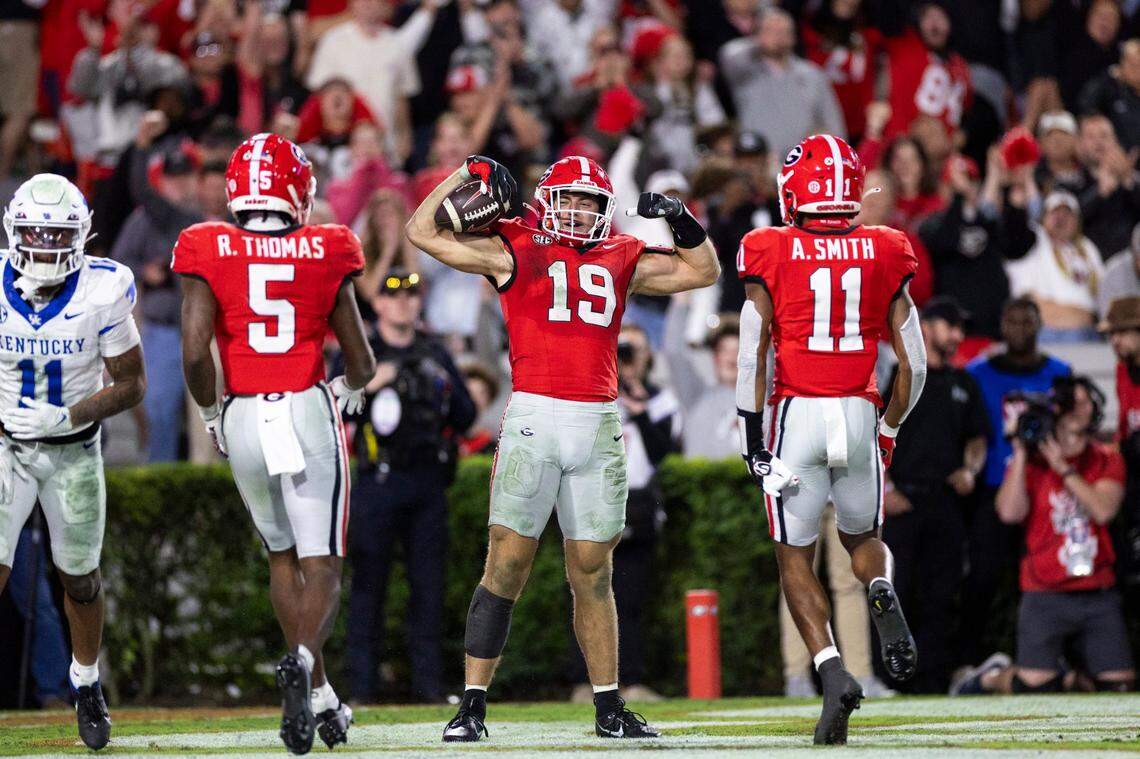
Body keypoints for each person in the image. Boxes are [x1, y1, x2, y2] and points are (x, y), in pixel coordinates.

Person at [406, 153, 719, 741]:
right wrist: (463, 176)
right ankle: (472, 704)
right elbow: (420, 232)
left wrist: (681, 219)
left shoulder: (622, 254)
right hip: (534, 415)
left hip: (599, 421)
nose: (577, 210)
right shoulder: (515, 245)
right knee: (506, 563)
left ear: (604, 209)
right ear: (548, 201)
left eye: (589, 201)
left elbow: (702, 271)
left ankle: (608, 706)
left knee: (594, 572)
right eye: (568, 199)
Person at [174, 134, 376, 754]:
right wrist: (353, 385)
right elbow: (361, 357)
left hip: (241, 415)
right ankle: (304, 659)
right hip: (304, 406)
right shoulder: (329, 245)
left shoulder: (207, 244)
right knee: (324, 565)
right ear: (300, 191)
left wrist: (212, 413)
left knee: (281, 557)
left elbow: (192, 350)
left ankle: (316, 691)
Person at [735, 134, 927, 744]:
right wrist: (890, 427)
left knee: (794, 557)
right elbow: (915, 365)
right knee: (863, 539)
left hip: (798, 414)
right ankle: (878, 587)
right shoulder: (885, 247)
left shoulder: (768, 247)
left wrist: (751, 439)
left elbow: (749, 357)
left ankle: (831, 669)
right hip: (858, 410)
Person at [0, 174, 147, 749]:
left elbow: (133, 384)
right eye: (33, 231)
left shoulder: (102, 290)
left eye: (54, 232)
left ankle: (85, 682)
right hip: (7, 445)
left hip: (73, 450)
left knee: (79, 578)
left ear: (81, 235)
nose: (41, 243)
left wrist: (68, 415)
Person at [953, 376, 1135, 695]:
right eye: (1073, 402)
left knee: (1118, 687)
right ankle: (991, 677)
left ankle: (1071, 675)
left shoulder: (1106, 457)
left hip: (1097, 590)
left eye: (1085, 401)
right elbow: (1009, 513)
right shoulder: (1034, 461)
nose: (1081, 408)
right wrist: (1021, 452)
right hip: (1044, 590)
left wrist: (1062, 466)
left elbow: (1103, 510)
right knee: (1032, 687)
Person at [343, 268, 476, 704]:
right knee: (367, 586)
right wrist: (367, 381)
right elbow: (332, 406)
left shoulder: (434, 351)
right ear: (378, 303)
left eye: (412, 295)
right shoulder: (362, 353)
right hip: (377, 479)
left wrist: (435, 375)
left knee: (429, 588)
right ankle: (361, 689)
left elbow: (466, 413)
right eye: (393, 296)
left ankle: (429, 688)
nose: (403, 303)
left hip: (426, 482)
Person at [881, 297, 989, 694]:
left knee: (942, 593)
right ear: (925, 327)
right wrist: (886, 489)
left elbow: (978, 439)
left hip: (945, 503)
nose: (958, 336)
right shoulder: (897, 375)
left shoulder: (964, 383)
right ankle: (893, 679)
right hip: (903, 502)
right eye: (951, 326)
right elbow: (869, 435)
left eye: (961, 327)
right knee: (897, 593)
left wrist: (970, 469)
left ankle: (934, 678)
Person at [964, 297, 1071, 670]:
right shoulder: (978, 373)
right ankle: (972, 660)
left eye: (1027, 322)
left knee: (1049, 574)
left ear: (1040, 325)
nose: (1019, 330)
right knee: (983, 577)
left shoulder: (1060, 372)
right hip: (994, 489)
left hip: (1044, 487)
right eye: (1012, 322)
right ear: (1000, 325)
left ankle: (1054, 659)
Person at [718, 7, 845, 163]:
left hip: (803, 164)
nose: (777, 36)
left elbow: (833, 123)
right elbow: (727, 53)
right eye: (770, 30)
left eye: (783, 31)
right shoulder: (743, 70)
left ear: (793, 37)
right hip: (757, 161)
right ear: (757, 34)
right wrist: (756, 42)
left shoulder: (811, 74)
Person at [1006, 190, 1105, 343]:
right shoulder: (1036, 241)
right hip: (1048, 332)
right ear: (1043, 217)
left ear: (1077, 221)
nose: (1061, 218)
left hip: (1089, 332)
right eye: (1054, 212)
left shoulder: (1087, 248)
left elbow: (1102, 292)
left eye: (1067, 213)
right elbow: (1028, 299)